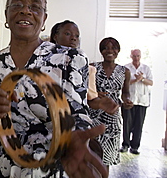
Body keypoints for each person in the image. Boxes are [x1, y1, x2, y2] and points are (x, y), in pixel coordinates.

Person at [0, 0, 108, 178]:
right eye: (17, 5)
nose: (25, 11)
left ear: (44, 18)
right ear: (6, 14)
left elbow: (77, 112)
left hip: (49, 169)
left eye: (35, 7)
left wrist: (73, 136)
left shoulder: (70, 59)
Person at [50, 20, 119, 115]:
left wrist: (100, 103)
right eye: (67, 34)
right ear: (55, 37)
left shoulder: (87, 68)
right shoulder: (41, 62)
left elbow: (91, 99)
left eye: (77, 36)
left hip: (73, 119)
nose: (73, 38)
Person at [89, 37, 133, 170]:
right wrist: (95, 93)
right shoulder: (92, 67)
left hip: (112, 117)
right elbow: (85, 89)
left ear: (118, 51)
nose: (109, 51)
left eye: (113, 48)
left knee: (106, 157)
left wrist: (127, 100)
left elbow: (125, 92)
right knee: (91, 152)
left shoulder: (124, 71)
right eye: (106, 48)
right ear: (101, 51)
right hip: (94, 114)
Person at [120, 49, 153, 155]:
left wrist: (142, 79)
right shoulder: (126, 68)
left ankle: (135, 146)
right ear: (131, 56)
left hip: (142, 101)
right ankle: (125, 144)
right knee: (127, 123)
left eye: (138, 56)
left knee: (139, 125)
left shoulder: (146, 68)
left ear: (141, 56)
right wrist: (136, 80)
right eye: (134, 56)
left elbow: (151, 82)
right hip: (129, 100)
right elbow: (123, 83)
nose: (136, 58)